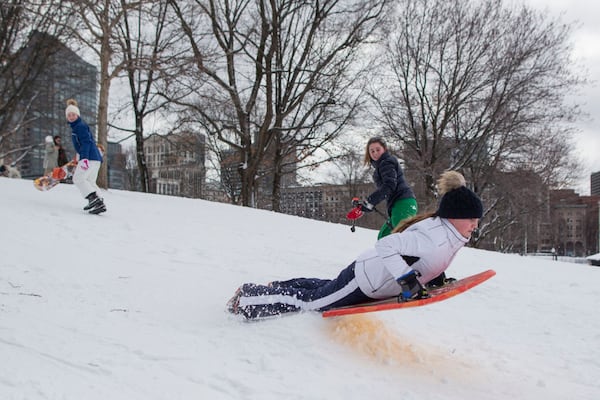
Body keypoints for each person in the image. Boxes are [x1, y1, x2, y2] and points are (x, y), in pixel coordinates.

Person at [227, 170, 483, 320]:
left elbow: (424, 261)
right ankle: (249, 298)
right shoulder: (433, 236)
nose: (475, 225)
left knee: (326, 288)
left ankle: (277, 286)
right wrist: (408, 282)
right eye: (471, 219)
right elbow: (387, 247)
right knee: (314, 303)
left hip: (371, 282)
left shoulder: (449, 235)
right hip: (366, 279)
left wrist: (435, 279)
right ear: (454, 216)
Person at [360, 137, 418, 239]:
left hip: (403, 203)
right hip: (399, 204)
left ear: (385, 149)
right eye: (372, 151)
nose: (375, 153)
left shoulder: (386, 162)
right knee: (384, 238)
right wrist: (368, 204)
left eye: (378, 150)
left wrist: (371, 201)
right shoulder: (380, 166)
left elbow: (389, 185)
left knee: (401, 240)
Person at [65, 98, 106, 214]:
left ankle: (94, 199)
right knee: (90, 181)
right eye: (69, 115)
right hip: (95, 158)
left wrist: (84, 159)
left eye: (73, 114)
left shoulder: (80, 126)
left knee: (78, 178)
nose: (71, 117)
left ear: (77, 115)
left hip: (90, 157)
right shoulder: (77, 127)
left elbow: (86, 142)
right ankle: (100, 202)